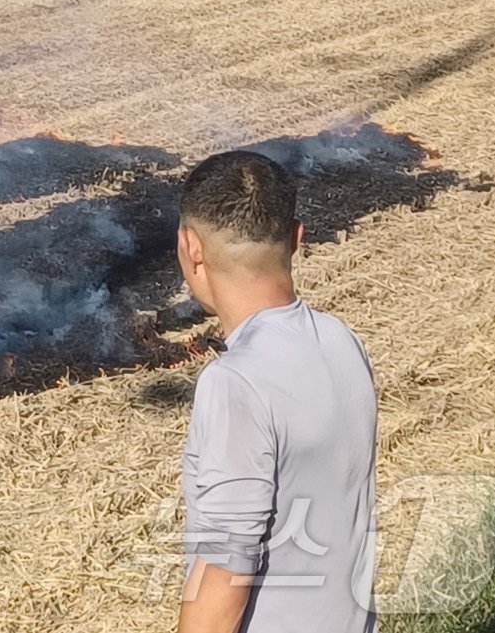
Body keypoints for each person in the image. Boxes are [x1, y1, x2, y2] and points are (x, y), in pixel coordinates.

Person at [175, 151, 378, 633]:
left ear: (192, 246)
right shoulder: (341, 341)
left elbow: (226, 568)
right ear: (296, 238)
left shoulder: (236, 382)